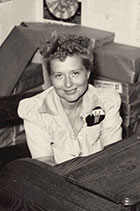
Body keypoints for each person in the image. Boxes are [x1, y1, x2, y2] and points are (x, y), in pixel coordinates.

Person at [18, 34, 122, 165]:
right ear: (51, 78)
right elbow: (45, 163)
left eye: (75, 74)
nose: (68, 84)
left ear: (88, 73)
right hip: (58, 180)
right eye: (59, 75)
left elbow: (113, 152)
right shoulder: (36, 111)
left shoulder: (107, 102)